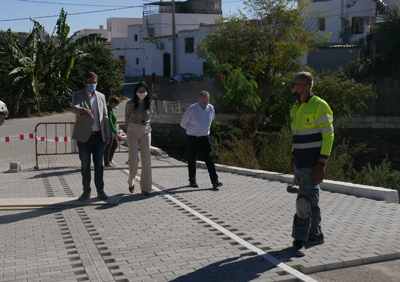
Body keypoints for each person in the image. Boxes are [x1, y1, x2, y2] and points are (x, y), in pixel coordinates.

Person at [289, 71, 334, 257]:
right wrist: (292, 155)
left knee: (304, 203)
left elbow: (329, 135)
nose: (291, 88)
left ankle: (300, 240)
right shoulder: (295, 108)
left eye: (293, 85)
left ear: (303, 87)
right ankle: (316, 234)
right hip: (299, 163)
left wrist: (321, 164)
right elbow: (297, 136)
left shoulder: (319, 105)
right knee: (310, 200)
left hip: (313, 164)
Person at [71, 71, 110, 201]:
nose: (93, 85)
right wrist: (82, 110)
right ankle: (86, 191)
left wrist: (108, 135)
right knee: (85, 165)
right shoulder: (78, 94)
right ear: (84, 83)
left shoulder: (101, 96)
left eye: (95, 82)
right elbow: (73, 108)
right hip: (84, 137)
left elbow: (105, 116)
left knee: (99, 165)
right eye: (90, 83)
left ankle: (100, 191)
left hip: (99, 136)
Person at [180, 90, 223, 189]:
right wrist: (192, 130)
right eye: (203, 102)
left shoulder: (210, 108)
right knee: (192, 159)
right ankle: (192, 180)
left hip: (205, 137)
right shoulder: (191, 110)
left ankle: (215, 181)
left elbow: (211, 119)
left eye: (206, 101)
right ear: (198, 100)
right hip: (193, 138)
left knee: (210, 159)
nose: (205, 104)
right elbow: (183, 123)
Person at [125, 82, 152, 196]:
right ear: (136, 92)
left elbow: (150, 116)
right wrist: (129, 130)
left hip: (145, 130)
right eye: (140, 91)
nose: (142, 93)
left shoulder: (149, 103)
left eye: (144, 91)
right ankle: (131, 181)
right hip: (133, 131)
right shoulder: (130, 104)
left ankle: (146, 187)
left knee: (146, 160)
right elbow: (127, 118)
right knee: (134, 160)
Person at [104, 97, 120, 167]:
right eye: (116, 104)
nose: (117, 106)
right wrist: (115, 132)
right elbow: (109, 122)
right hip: (110, 130)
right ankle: (107, 162)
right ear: (113, 103)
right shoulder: (109, 110)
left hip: (112, 130)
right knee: (109, 146)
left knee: (115, 145)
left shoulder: (110, 109)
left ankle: (109, 160)